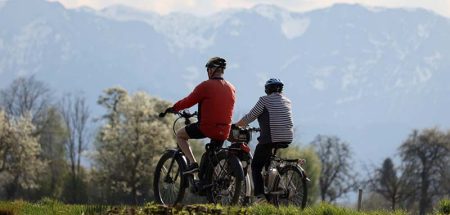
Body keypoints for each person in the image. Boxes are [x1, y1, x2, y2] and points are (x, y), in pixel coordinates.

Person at [165, 57, 236, 174]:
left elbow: (188, 101)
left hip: (207, 128)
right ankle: (209, 182)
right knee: (211, 161)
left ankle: (193, 163)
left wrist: (174, 108)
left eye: (208, 69)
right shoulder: (232, 88)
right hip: (225, 130)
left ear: (211, 70)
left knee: (180, 135)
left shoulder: (205, 86)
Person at [235, 78, 293, 203]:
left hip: (271, 137)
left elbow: (250, 116)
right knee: (268, 161)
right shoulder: (287, 101)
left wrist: (236, 125)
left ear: (267, 89)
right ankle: (276, 184)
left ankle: (260, 196)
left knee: (256, 166)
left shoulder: (264, 100)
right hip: (287, 137)